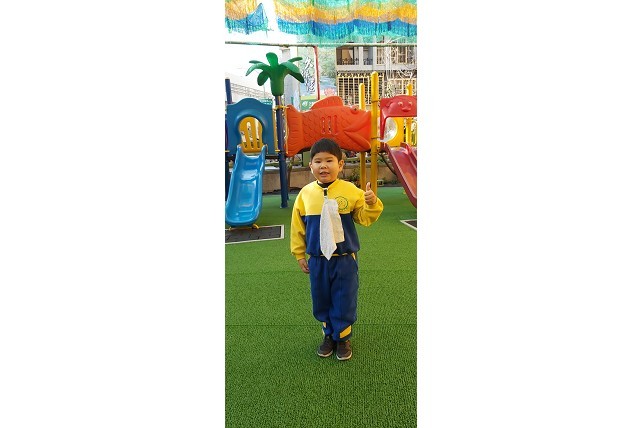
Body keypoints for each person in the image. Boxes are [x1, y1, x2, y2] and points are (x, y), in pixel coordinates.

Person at [290, 138, 384, 361]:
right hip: (318, 259)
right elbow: (298, 227)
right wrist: (299, 253)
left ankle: (342, 337)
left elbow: (364, 218)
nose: (323, 166)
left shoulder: (350, 191)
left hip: (344, 259)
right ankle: (328, 335)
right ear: (310, 166)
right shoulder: (305, 194)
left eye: (329, 161)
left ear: (340, 165)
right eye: (318, 161)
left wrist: (371, 203)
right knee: (321, 297)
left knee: (344, 297)